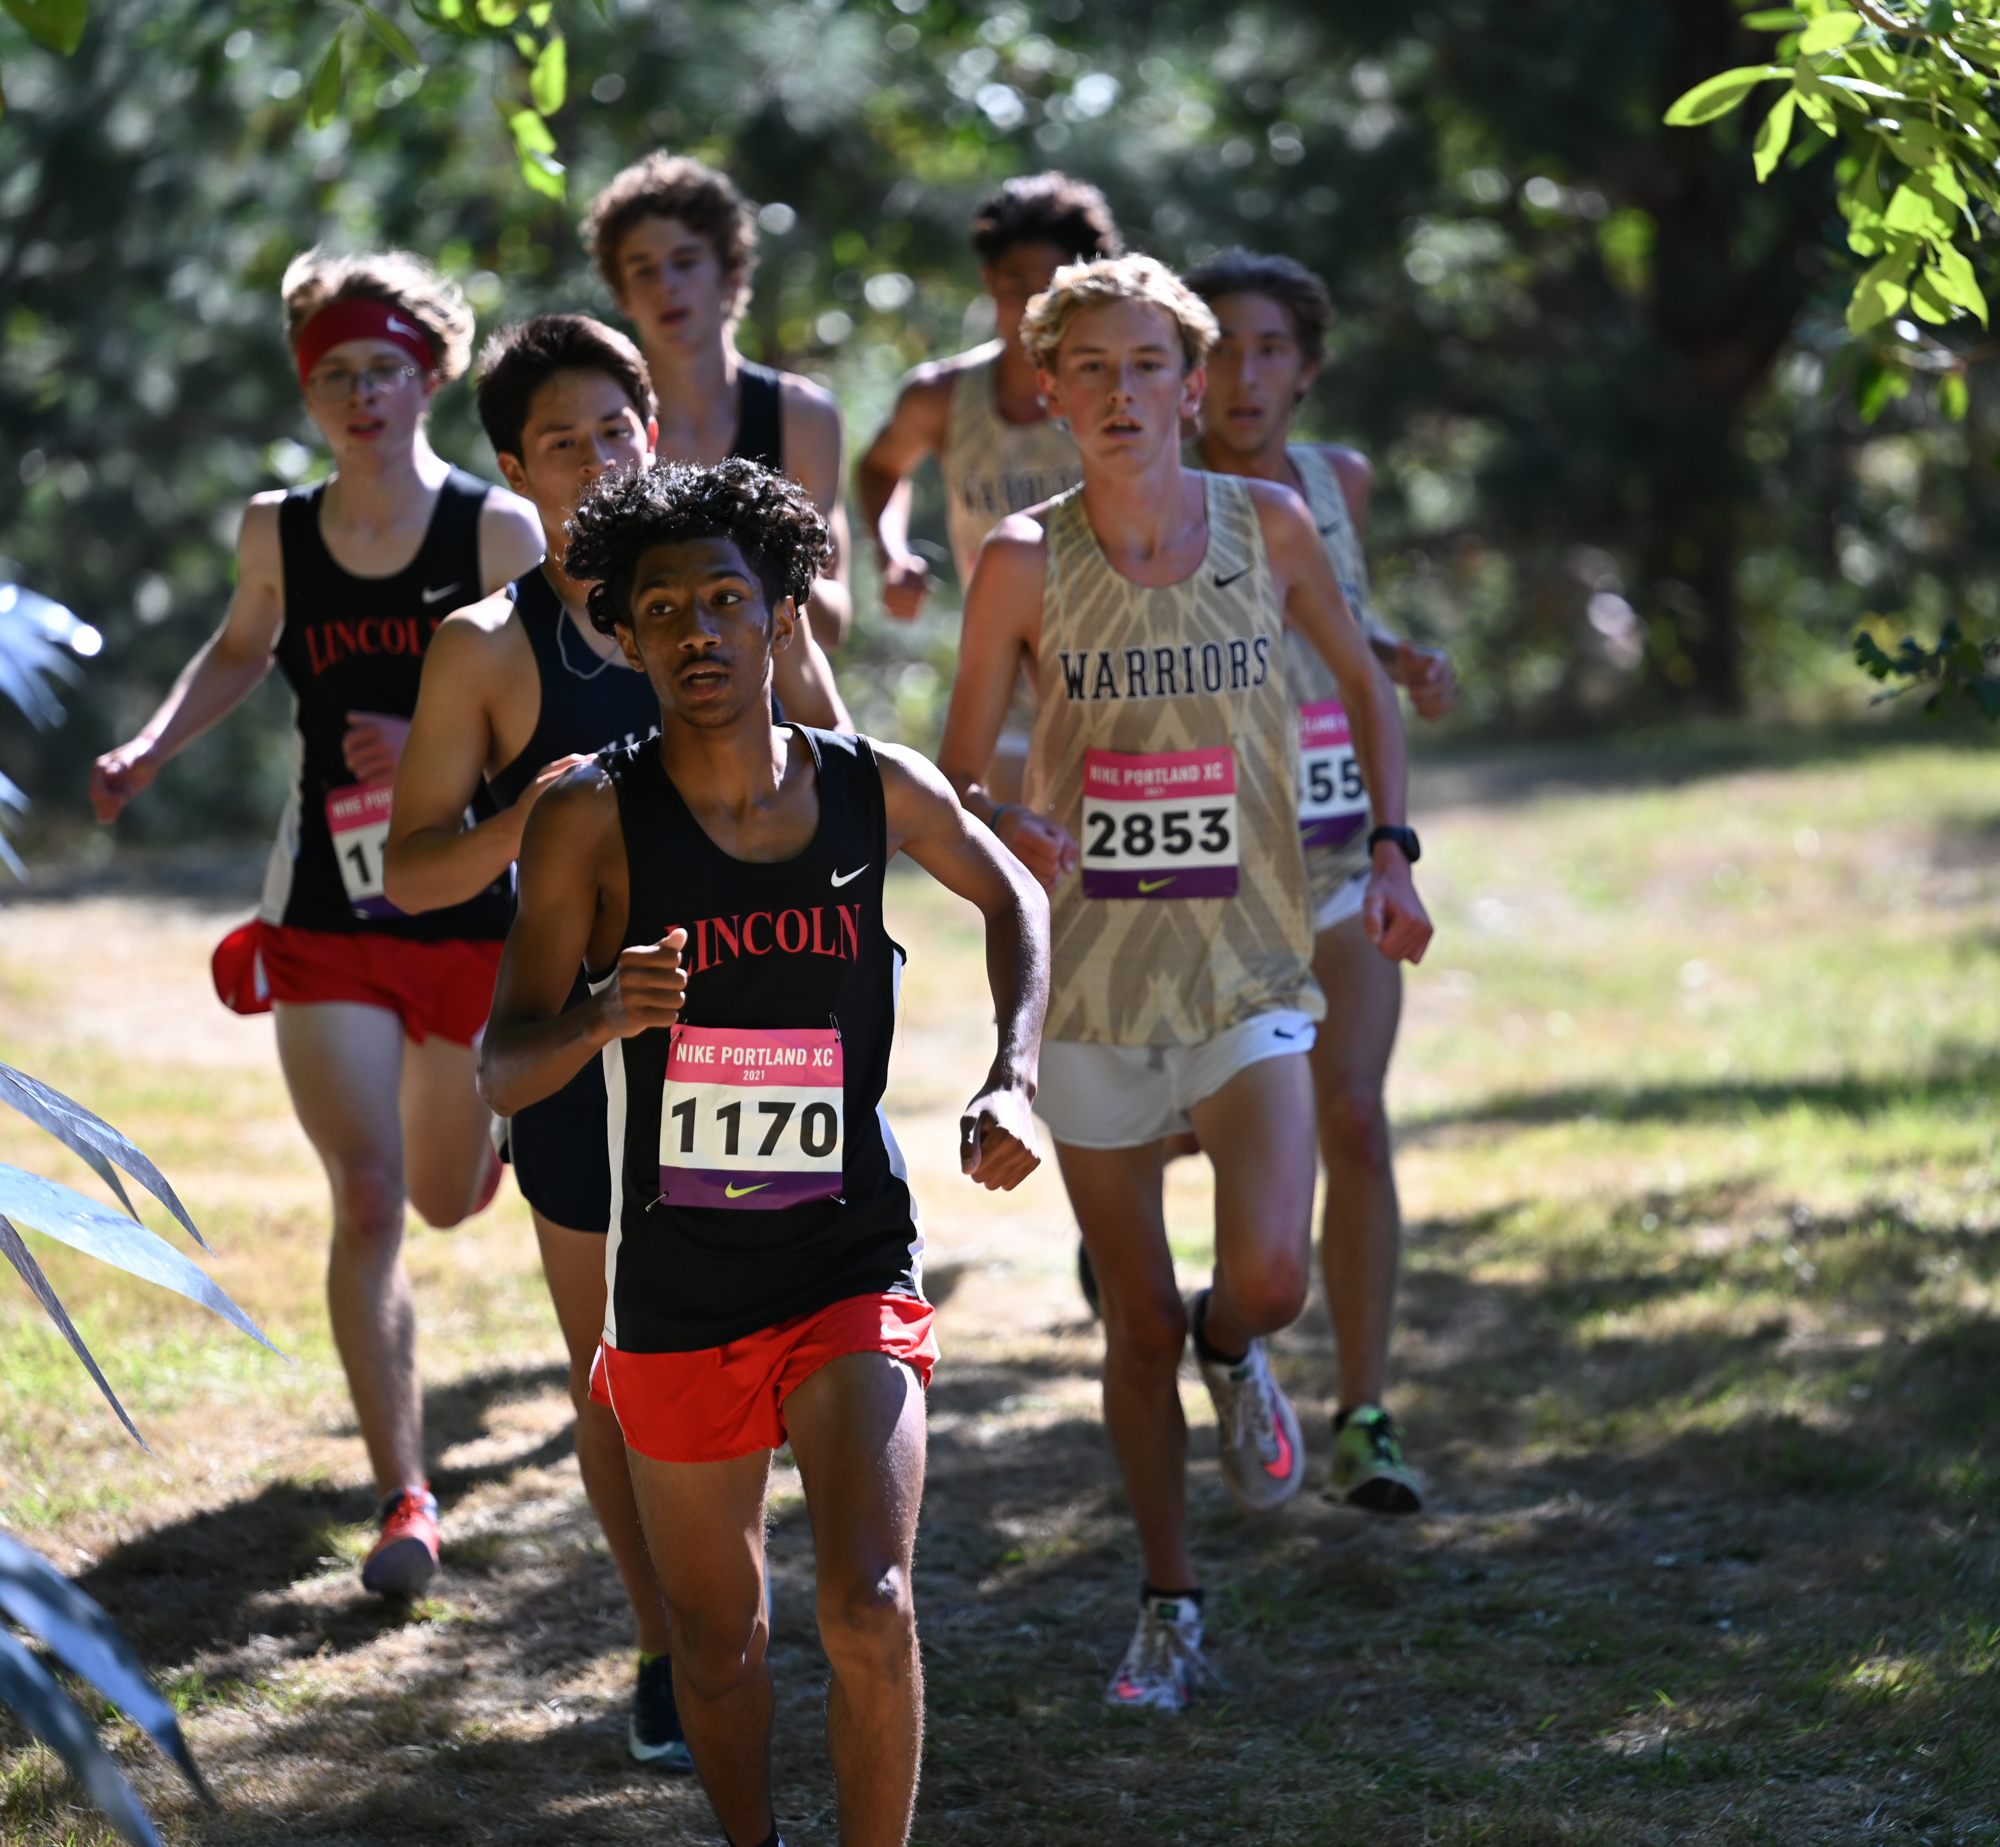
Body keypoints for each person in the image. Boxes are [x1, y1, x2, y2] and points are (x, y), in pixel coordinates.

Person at [479, 457, 1048, 1847]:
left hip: (847, 1246)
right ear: (619, 632)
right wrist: (606, 1007)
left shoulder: (872, 787)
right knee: (717, 1643)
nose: (695, 631)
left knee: (871, 1602)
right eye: (658, 606)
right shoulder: (586, 814)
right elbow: (502, 1058)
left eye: (726, 598)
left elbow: (1015, 888)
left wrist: (1013, 1074)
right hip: (676, 1282)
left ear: (781, 608)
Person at [937, 255, 1433, 1714]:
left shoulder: (1270, 524)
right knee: (1133, 1319)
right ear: (1047, 390)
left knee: (1267, 1271)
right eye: (1086, 367)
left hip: (1249, 962)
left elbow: (1366, 682)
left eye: (1147, 364)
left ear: (1192, 382)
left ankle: (1246, 1353)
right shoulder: (1022, 560)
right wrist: (1001, 821)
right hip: (1089, 983)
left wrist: (1394, 854)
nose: (1117, 392)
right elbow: (959, 772)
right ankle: (1169, 1601)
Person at [87, 249, 544, 1598]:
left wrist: (438, 746)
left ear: (430, 378)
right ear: (309, 391)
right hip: (330, 903)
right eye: (335, 374)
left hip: (471, 910)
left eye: (385, 369)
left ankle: (489, 1142)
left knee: (451, 1196)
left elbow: (551, 718)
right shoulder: (276, 530)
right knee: (367, 1193)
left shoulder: (494, 534)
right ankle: (405, 1489)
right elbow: (240, 647)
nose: (361, 394)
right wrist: (152, 746)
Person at [380, 312, 688, 1766]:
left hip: (740, 1033)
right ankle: (663, 1642)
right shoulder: (487, 647)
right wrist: (531, 809)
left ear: (654, 431)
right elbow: (413, 870)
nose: (595, 458)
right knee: (615, 1366)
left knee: (756, 1335)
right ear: (517, 467)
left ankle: (740, 1599)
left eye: (615, 428)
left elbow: (834, 766)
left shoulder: (736, 594)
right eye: (560, 441)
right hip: (568, 1038)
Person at [1184, 249, 1457, 1518]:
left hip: (1347, 854)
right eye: (1221, 346)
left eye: (1270, 347)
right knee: (1225, 1151)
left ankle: (1363, 1413)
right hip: (1209, 882)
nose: (1246, 372)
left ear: (1306, 364)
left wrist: (1399, 656)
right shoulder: (1159, 502)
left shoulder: (1336, 480)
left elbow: (1341, 619)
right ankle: (1224, 1334)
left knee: (1353, 1115)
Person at [856, 171, 1122, 808]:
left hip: (1120, 664)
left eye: (1050, 288)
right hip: (1003, 678)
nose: (1032, 307)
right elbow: (878, 468)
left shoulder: (1126, 394)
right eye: (1013, 286)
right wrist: (891, 553)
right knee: (1021, 877)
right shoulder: (942, 396)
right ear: (988, 283)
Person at [584, 152, 853, 653]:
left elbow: (834, 621)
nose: (666, 285)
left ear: (731, 276)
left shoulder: (804, 418)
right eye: (642, 270)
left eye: (685, 262)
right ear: (621, 293)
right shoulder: (602, 430)